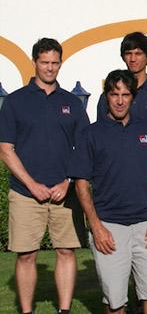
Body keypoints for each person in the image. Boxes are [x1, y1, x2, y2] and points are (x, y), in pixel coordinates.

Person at [71, 70, 147, 314]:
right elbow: (81, 183)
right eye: (114, 94)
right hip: (109, 228)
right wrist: (96, 226)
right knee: (115, 303)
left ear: (133, 98)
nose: (119, 100)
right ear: (106, 96)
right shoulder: (90, 134)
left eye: (125, 95)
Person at [0, 38, 89, 314]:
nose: (50, 68)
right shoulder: (15, 102)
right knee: (26, 255)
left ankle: (64, 310)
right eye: (45, 62)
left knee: (66, 251)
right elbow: (5, 149)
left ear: (60, 64)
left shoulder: (72, 104)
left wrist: (68, 181)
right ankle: (27, 311)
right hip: (26, 193)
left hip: (65, 193)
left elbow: (83, 147)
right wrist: (31, 184)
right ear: (35, 62)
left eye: (55, 63)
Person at [97, 32, 147, 138]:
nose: (133, 59)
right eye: (128, 53)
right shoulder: (108, 96)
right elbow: (100, 134)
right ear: (123, 57)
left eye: (138, 54)